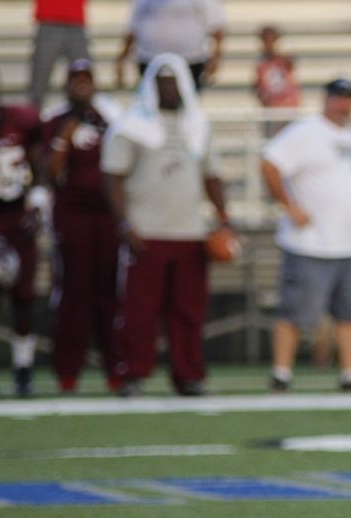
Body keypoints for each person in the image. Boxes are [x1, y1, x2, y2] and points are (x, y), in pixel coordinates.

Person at [101, 53, 232, 397]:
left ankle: (188, 374)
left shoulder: (197, 126)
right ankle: (133, 373)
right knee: (138, 312)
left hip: (190, 230)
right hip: (147, 231)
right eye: (161, 83)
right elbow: (112, 177)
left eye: (173, 82)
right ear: (151, 87)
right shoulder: (132, 125)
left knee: (188, 311)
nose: (168, 89)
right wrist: (125, 224)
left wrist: (224, 218)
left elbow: (212, 176)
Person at [261, 78, 351, 393]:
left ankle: (350, 373)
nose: (345, 104)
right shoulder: (305, 132)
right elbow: (270, 165)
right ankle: (281, 372)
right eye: (339, 97)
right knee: (295, 312)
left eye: (349, 98)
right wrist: (290, 207)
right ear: (326, 99)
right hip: (310, 242)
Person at [41, 59, 122, 393]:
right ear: (67, 85)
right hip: (71, 216)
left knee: (109, 293)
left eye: (86, 80)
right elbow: (48, 173)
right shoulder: (56, 120)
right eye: (75, 80)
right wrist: (64, 139)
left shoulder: (111, 118)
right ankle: (67, 372)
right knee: (73, 294)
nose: (81, 86)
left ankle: (116, 369)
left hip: (106, 216)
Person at [0, 67, 48, 399]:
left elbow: (38, 160)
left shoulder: (19, 120)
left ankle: (23, 369)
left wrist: (37, 202)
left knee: (24, 298)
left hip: (17, 218)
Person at [115, 0, 225, 91]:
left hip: (190, 61)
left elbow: (217, 29)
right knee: (150, 103)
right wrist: (121, 59)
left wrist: (216, 58)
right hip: (150, 60)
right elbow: (132, 29)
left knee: (186, 103)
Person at [28, 0, 92, 109]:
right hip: (49, 21)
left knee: (83, 77)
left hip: (75, 21)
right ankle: (34, 120)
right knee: (39, 80)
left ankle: (83, 118)